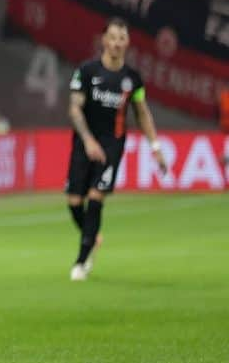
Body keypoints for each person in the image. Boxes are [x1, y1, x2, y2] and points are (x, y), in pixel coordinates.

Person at [65, 17, 168, 281]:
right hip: (83, 143)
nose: (116, 43)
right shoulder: (87, 72)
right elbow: (75, 108)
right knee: (75, 201)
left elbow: (142, 113)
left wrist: (155, 146)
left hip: (112, 145)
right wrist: (87, 140)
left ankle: (81, 261)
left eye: (121, 38)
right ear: (104, 40)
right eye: (112, 37)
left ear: (128, 43)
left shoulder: (132, 80)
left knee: (96, 196)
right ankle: (92, 236)